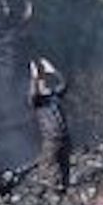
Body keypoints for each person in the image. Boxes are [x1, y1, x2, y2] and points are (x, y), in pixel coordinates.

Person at [27, 57, 70, 193]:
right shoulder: (38, 102)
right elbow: (32, 95)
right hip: (51, 138)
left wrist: (52, 70)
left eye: (44, 82)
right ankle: (54, 189)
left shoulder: (54, 96)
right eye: (40, 83)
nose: (43, 84)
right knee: (48, 164)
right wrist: (34, 77)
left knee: (64, 164)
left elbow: (65, 83)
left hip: (64, 135)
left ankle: (64, 189)